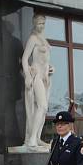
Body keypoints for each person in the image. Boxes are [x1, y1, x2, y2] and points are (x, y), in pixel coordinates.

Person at [21, 14, 54, 148]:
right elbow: (24, 59)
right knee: (42, 106)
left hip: (46, 77)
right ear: (34, 24)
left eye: (43, 23)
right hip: (36, 75)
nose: (41, 26)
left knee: (41, 109)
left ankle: (37, 137)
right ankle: (32, 139)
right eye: (39, 23)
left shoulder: (44, 40)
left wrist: (51, 68)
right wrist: (28, 76)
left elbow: (46, 60)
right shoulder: (33, 39)